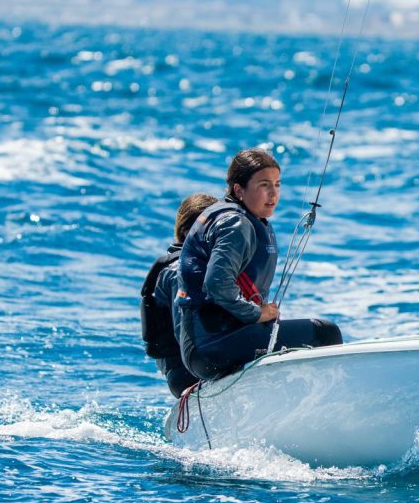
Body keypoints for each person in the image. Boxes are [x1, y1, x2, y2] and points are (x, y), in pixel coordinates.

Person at [177, 148, 342, 381]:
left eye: (277, 184)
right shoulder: (235, 223)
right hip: (212, 346)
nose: (273, 193)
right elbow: (216, 284)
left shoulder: (243, 218)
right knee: (325, 333)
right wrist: (256, 314)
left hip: (208, 345)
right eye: (264, 185)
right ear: (239, 190)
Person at [140, 192, 218, 397]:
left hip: (205, 363)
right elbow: (186, 336)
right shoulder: (179, 272)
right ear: (186, 232)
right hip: (187, 373)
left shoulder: (208, 268)